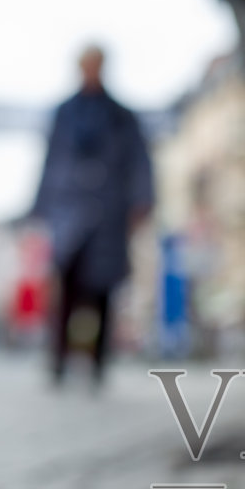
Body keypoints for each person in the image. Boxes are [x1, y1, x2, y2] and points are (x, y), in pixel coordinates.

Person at [29, 44, 153, 386]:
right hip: (69, 210)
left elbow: (139, 162)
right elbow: (50, 160)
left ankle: (98, 363)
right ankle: (58, 359)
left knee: (102, 291)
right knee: (66, 286)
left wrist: (141, 201)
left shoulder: (122, 116)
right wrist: (41, 208)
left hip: (108, 211)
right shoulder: (64, 113)